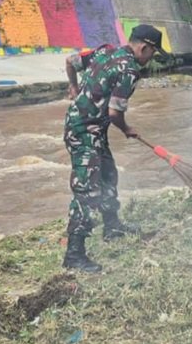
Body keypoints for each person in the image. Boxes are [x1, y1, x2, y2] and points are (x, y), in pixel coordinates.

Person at [62, 24, 167, 273]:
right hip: (85, 132)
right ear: (144, 47)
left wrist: (74, 87)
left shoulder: (105, 52)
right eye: (153, 53)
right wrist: (127, 129)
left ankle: (112, 227)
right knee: (87, 192)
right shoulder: (129, 70)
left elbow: (70, 61)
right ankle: (74, 255)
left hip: (90, 129)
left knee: (109, 173)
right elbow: (114, 112)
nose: (151, 58)